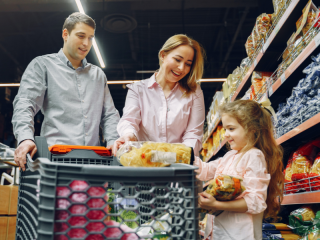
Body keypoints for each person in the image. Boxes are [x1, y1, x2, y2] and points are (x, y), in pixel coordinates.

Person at [12, 12, 120, 171]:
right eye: (81, 36)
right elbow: (25, 104)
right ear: (65, 34)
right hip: (54, 162)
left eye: (90, 38)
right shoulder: (42, 66)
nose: (86, 43)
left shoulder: (98, 75)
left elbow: (109, 114)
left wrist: (113, 141)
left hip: (93, 162)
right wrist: (25, 138)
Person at [196, 100, 284, 240]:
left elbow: (256, 201)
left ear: (252, 129)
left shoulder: (254, 156)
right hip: (219, 232)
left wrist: (216, 204)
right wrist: (183, 155)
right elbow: (204, 170)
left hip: (240, 234)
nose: (225, 135)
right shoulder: (229, 156)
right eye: (225, 129)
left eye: (231, 129)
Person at [112, 34, 205, 156]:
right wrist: (129, 135)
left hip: (179, 166)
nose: (182, 68)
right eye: (177, 59)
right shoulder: (137, 90)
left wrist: (179, 157)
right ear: (163, 55)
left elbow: (194, 133)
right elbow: (129, 120)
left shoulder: (194, 92)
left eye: (188, 64)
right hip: (145, 163)